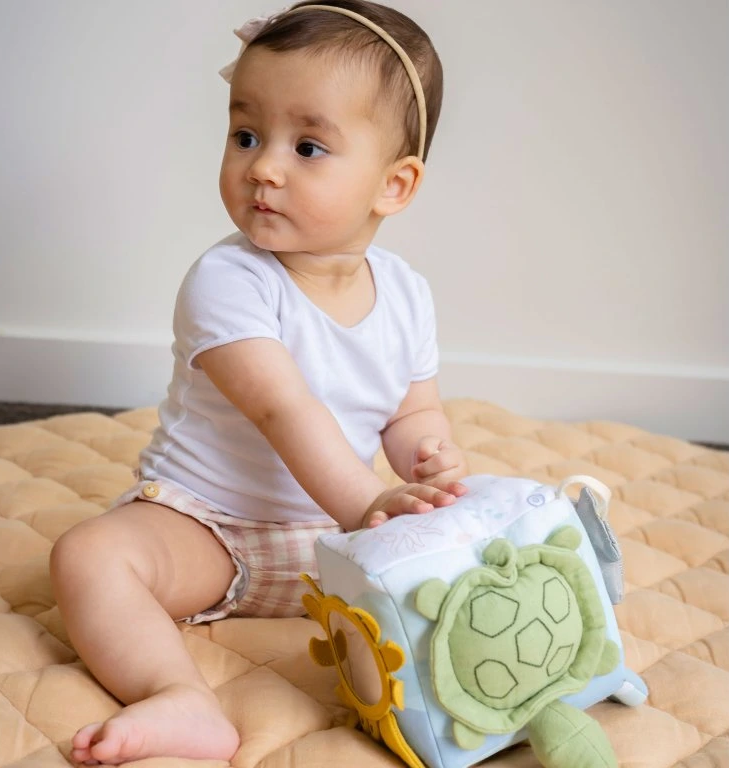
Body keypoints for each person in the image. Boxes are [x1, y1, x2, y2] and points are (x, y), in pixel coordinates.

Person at [49, 1, 468, 764]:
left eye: (308, 147)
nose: (263, 167)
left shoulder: (407, 294)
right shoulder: (227, 280)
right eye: (245, 135)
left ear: (394, 185)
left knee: (467, 560)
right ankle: (176, 695)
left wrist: (426, 459)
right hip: (210, 529)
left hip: (333, 547)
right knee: (89, 557)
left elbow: (412, 411)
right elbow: (283, 408)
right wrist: (364, 506)